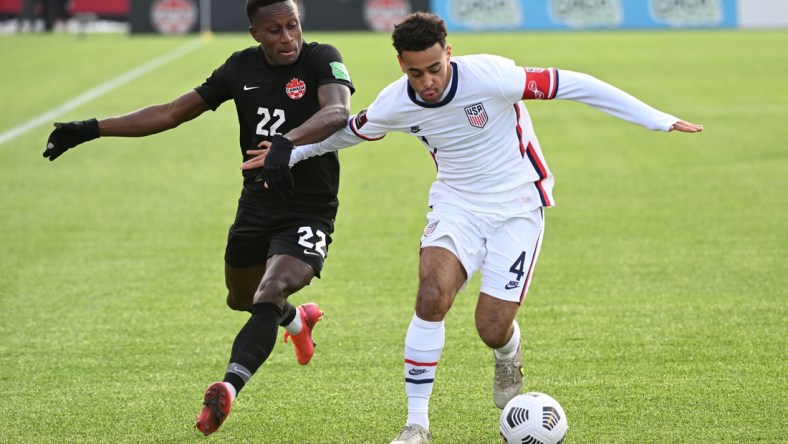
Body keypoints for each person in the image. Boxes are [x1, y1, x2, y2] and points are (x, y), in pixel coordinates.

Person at [245, 11, 703, 444]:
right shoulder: (396, 102)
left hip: (518, 204)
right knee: (431, 296)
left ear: (449, 52)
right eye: (415, 73)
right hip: (456, 205)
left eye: (434, 68)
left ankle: (508, 356)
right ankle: (416, 424)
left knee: (491, 326)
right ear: (401, 65)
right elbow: (351, 130)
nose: (426, 82)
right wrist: (291, 151)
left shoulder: (493, 76)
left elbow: (575, 84)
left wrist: (656, 119)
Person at [41, 0, 354, 437]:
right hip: (257, 205)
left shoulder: (323, 57)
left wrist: (285, 143)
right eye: (275, 30)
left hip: (310, 208)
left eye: (292, 26)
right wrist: (91, 128)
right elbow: (171, 112)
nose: (287, 38)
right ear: (255, 34)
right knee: (242, 300)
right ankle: (298, 322)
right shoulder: (239, 68)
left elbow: (337, 112)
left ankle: (227, 388)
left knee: (273, 288)